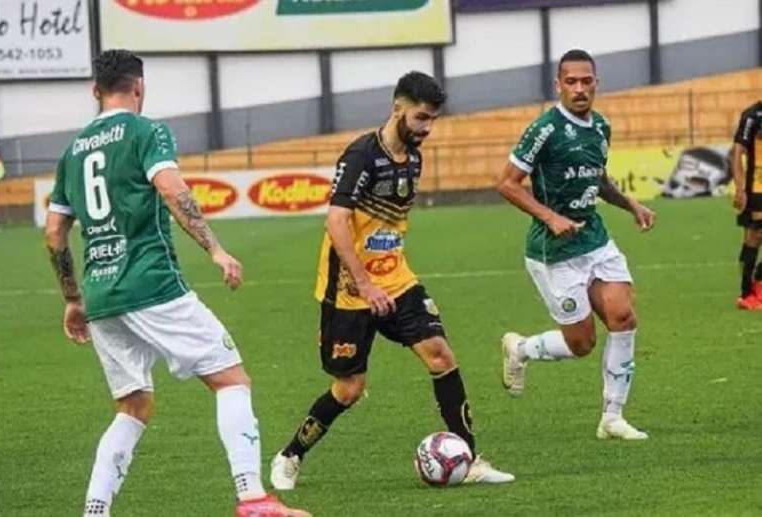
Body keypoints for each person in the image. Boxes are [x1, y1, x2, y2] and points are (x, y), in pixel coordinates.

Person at [44, 49, 310, 517]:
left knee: (133, 406)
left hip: (101, 296)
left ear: (95, 92)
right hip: (151, 284)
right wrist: (215, 249)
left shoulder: (72, 152)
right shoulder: (147, 132)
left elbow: (54, 233)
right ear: (139, 87)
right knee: (231, 378)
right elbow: (172, 190)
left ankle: (95, 511)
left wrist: (72, 299)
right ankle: (253, 497)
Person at [269, 71, 514, 490]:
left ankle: (469, 457)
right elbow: (337, 220)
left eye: (432, 120)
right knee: (349, 387)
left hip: (397, 279)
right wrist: (365, 284)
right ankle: (291, 455)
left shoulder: (414, 157)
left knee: (440, 355)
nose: (426, 128)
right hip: (349, 289)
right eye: (421, 118)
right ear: (397, 109)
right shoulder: (362, 155)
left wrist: (385, 274)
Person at [497, 49, 656, 440]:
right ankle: (520, 349)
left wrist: (629, 204)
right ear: (559, 85)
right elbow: (506, 183)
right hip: (554, 253)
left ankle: (612, 417)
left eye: (587, 81)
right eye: (572, 81)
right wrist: (550, 217)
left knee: (623, 317)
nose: (580, 89)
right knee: (581, 343)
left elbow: (598, 179)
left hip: (595, 238)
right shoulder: (545, 130)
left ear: (597, 83)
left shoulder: (601, 127)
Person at [731, 100, 762, 310]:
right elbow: (737, 153)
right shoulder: (753, 115)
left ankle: (758, 281)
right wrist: (740, 188)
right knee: (754, 237)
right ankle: (746, 293)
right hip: (757, 188)